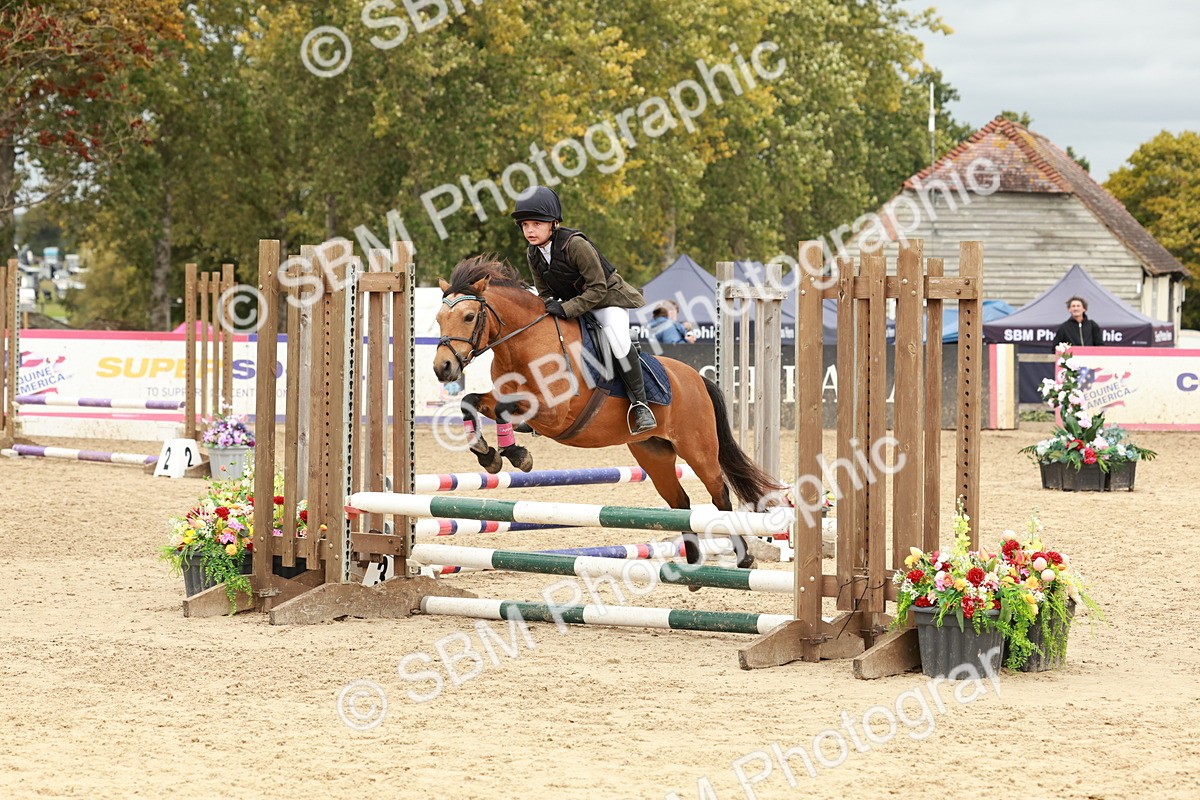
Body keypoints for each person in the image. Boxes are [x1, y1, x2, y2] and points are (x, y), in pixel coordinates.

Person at [510, 186, 657, 434]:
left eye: (536, 224)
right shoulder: (532, 253)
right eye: (525, 225)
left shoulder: (575, 244)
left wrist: (565, 308)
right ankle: (546, 408)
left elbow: (598, 288)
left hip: (607, 301)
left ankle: (640, 405)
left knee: (618, 341)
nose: (530, 231)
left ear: (553, 224)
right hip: (576, 306)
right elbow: (545, 292)